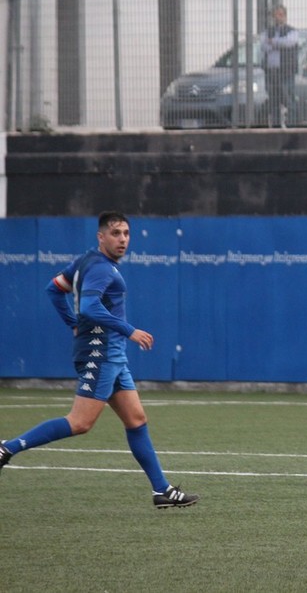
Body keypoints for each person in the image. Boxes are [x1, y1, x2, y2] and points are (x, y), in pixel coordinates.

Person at [0, 212, 199, 509]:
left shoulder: (86, 261)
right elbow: (91, 307)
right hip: (100, 353)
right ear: (101, 236)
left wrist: (73, 323)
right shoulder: (101, 269)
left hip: (113, 356)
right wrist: (129, 330)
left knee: (136, 420)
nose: (123, 239)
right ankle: (7, 448)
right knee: (80, 422)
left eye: (126, 233)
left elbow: (54, 288)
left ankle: (162, 491)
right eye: (116, 233)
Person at [260, 4, 300, 127]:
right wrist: (278, 44)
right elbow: (263, 46)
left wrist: (273, 42)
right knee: (273, 101)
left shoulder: (292, 31)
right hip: (271, 72)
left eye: (281, 15)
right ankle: (276, 127)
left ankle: (292, 126)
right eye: (276, 15)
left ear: (285, 16)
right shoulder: (268, 31)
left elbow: (289, 42)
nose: (278, 17)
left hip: (286, 72)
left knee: (289, 100)